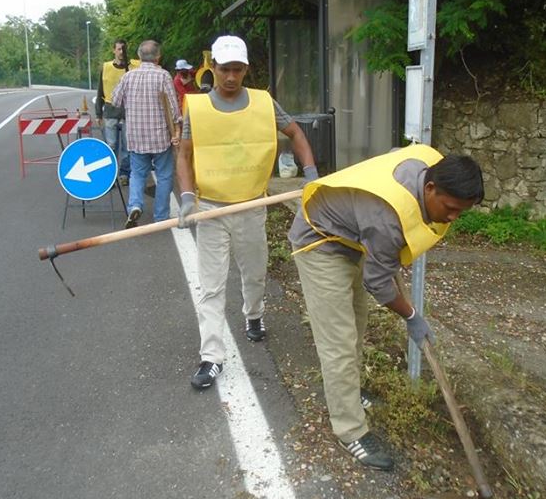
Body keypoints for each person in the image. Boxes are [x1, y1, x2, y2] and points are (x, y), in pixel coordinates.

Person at [287, 146, 483, 470]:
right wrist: (411, 316)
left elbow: (392, 155)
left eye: (460, 212)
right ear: (430, 188)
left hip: (351, 238)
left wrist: (388, 255)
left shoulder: (430, 164)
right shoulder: (387, 220)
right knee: (338, 341)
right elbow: (378, 284)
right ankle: (349, 430)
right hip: (320, 242)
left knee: (357, 324)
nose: (452, 218)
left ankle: (349, 392)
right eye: (449, 208)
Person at [177, 35, 317, 391]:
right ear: (213, 69)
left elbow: (295, 132)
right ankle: (211, 357)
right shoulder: (198, 108)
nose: (230, 77)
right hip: (210, 210)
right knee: (210, 286)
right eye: (224, 69)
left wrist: (311, 175)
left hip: (252, 206)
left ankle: (253, 316)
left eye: (237, 70)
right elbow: (184, 154)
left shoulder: (263, 103)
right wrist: (188, 196)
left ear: (246, 70)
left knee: (254, 273)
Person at [111, 40, 182, 227]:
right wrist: (177, 129)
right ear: (158, 57)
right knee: (165, 175)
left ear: (139, 56)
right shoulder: (163, 76)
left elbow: (115, 101)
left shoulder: (128, 76)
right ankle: (160, 216)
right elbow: (173, 109)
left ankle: (134, 205)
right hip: (160, 137)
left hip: (136, 136)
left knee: (137, 173)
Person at [95, 38, 132, 185]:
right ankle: (109, 175)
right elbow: (100, 90)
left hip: (127, 113)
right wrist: (98, 112)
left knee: (127, 147)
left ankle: (124, 174)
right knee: (111, 146)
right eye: (118, 49)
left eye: (123, 49)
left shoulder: (132, 68)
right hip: (110, 112)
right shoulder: (106, 67)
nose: (121, 52)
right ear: (114, 50)